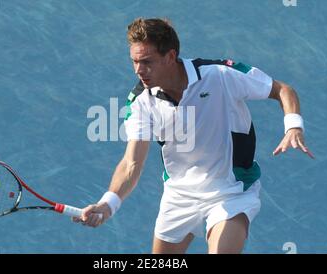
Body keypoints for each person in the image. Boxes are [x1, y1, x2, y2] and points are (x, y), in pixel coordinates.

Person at [74, 18, 314, 254]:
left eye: (147, 62)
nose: (139, 70)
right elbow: (131, 163)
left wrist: (293, 126)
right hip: (179, 196)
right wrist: (108, 204)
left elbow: (282, 89)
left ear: (170, 56)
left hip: (230, 190)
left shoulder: (219, 75)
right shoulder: (140, 102)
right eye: (134, 62)